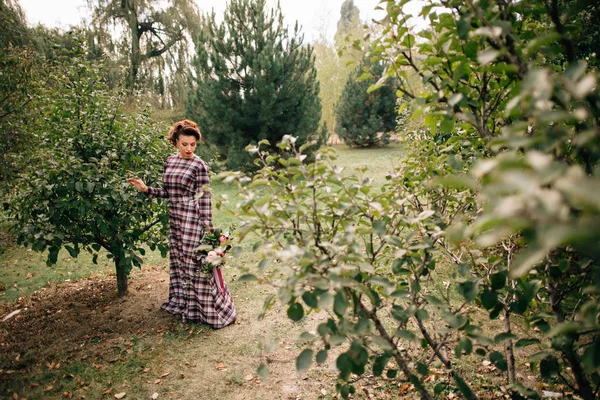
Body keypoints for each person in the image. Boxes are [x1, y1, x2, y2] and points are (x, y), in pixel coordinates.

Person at [128, 119, 236, 329]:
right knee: (179, 264)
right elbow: (168, 193)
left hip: (192, 220)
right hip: (176, 221)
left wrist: (209, 234)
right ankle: (186, 305)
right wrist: (146, 189)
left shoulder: (200, 166)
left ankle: (207, 311)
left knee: (196, 265)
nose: (188, 148)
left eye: (192, 145)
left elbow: (204, 200)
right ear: (176, 142)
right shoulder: (170, 161)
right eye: (184, 144)